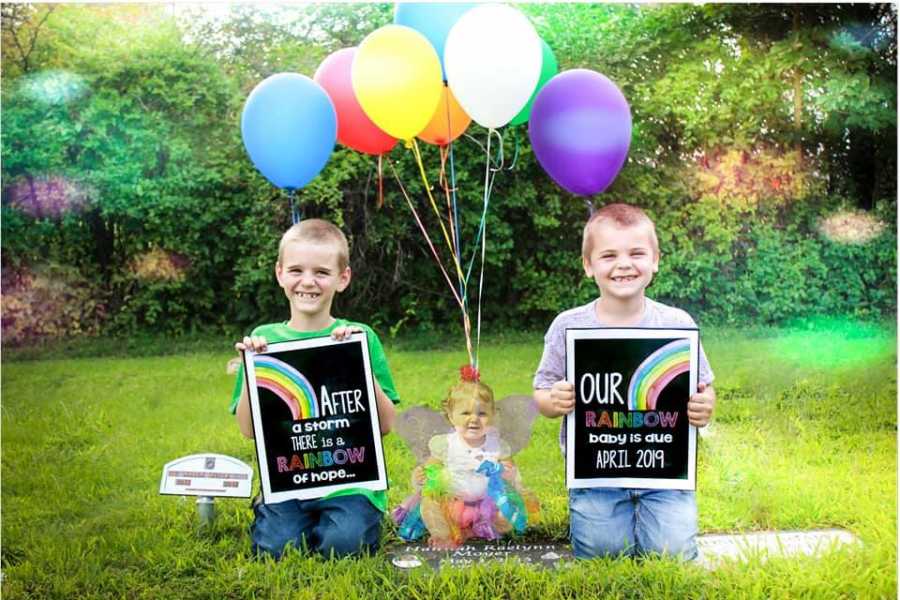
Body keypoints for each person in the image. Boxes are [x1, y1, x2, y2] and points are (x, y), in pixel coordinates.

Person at [533, 203, 716, 560]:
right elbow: (542, 390)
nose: (623, 264)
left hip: (663, 475)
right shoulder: (567, 325)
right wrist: (552, 400)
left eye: (636, 253)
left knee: (672, 554)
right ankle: (597, 518)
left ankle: (656, 518)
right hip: (596, 476)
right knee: (604, 552)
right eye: (608, 255)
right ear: (589, 266)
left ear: (655, 260)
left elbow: (704, 388)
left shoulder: (677, 323)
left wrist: (704, 406)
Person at [230, 218, 400, 559]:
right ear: (280, 274)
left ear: (343, 279)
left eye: (321, 272)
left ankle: (353, 518)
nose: (308, 282)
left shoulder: (359, 336)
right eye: (296, 270)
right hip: (289, 479)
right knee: (277, 550)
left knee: (345, 546)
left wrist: (356, 361)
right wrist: (253, 370)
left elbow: (384, 425)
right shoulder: (265, 340)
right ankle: (271, 509)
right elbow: (249, 431)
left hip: (350, 483)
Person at [392, 370, 538, 549]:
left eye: (482, 414)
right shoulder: (446, 444)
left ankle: (474, 530)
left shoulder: (497, 446)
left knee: (506, 515)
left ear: (492, 415)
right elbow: (430, 469)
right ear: (451, 416)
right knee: (429, 504)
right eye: (465, 413)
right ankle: (443, 536)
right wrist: (421, 476)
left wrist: (508, 473)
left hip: (487, 502)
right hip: (454, 500)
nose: (474, 419)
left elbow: (510, 473)